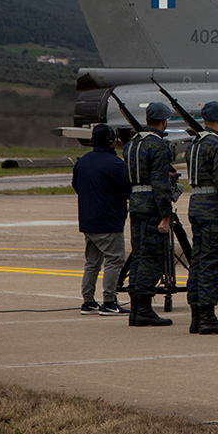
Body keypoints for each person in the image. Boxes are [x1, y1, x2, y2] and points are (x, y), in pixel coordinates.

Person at [185, 101, 218, 335]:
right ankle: (208, 317)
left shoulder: (194, 144)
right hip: (213, 208)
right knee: (212, 263)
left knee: (197, 262)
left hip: (197, 204)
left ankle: (197, 316)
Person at [123, 102, 176, 328]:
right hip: (152, 206)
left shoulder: (131, 145)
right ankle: (144, 309)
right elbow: (160, 184)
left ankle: (136, 309)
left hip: (135, 203)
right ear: (163, 122)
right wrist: (166, 215)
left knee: (138, 255)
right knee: (152, 257)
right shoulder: (158, 146)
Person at [72, 124, 130, 316]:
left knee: (92, 262)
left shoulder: (83, 162)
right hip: (109, 220)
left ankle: (88, 301)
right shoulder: (115, 164)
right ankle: (110, 301)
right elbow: (127, 190)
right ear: (112, 140)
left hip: (88, 219)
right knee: (114, 260)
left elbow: (76, 185)